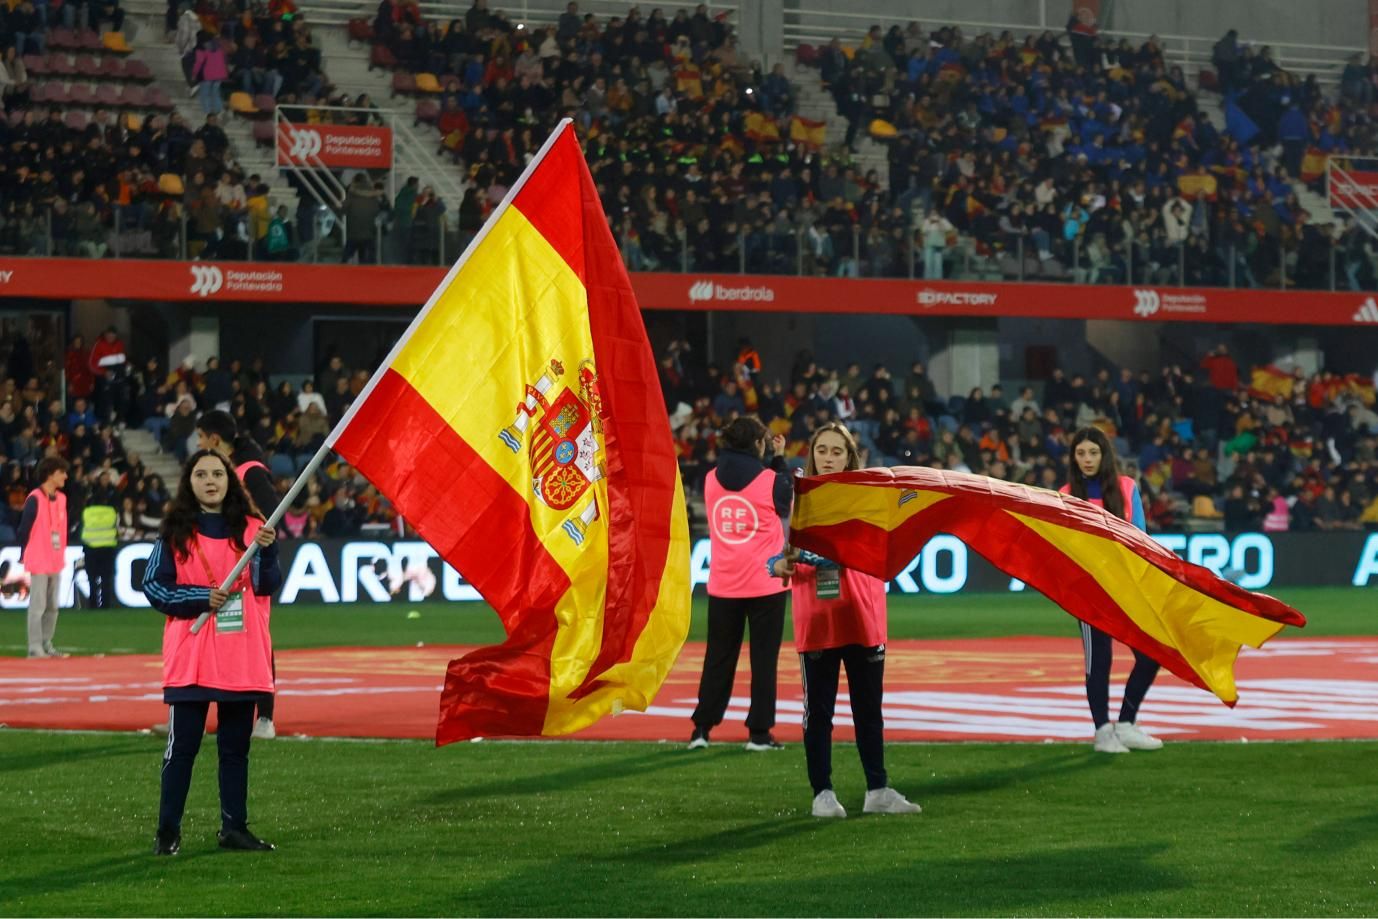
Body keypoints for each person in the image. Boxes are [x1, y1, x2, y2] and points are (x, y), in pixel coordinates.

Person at [769, 422, 922, 818]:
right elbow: (774, 557)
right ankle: (822, 793)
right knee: (818, 712)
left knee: (869, 709)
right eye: (823, 450)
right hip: (818, 619)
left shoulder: (869, 496)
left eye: (837, 451)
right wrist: (782, 563)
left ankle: (878, 789)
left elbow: (879, 549)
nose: (829, 457)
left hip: (863, 614)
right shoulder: (800, 499)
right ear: (813, 454)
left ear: (850, 456)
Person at [142, 450, 282, 855]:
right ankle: (168, 831)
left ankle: (234, 829)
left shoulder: (255, 529)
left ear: (229, 480)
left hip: (241, 657)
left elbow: (267, 585)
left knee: (235, 751)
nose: (210, 481)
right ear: (189, 482)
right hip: (193, 656)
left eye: (217, 474)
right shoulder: (175, 533)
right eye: (201, 474)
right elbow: (154, 587)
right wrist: (202, 597)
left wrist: (268, 551)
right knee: (182, 749)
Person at [688, 416, 791, 751]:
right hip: (765, 584)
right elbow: (785, 501)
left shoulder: (710, 479)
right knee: (763, 661)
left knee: (717, 657)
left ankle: (702, 729)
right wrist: (780, 459)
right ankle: (759, 734)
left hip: (723, 584)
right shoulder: (769, 479)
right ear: (757, 444)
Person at [1061, 426, 1163, 754]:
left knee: (1151, 655)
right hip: (1089, 593)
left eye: (1093, 452)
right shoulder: (1064, 494)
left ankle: (1127, 724)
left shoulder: (1126, 487)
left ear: (1104, 455)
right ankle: (1103, 732)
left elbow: (1142, 539)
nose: (1087, 459)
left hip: (1126, 590)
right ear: (1073, 458)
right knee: (1099, 660)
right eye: (1081, 453)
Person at [195, 410, 280, 740]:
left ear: (215, 439)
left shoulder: (249, 472)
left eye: (201, 437)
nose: (199, 444)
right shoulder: (220, 472)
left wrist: (248, 539)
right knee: (214, 640)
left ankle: (265, 719)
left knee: (255, 640)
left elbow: (272, 512)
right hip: (219, 566)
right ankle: (205, 715)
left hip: (248, 569)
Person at [18, 457, 71, 657]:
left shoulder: (62, 499)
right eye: (62, 472)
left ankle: (47, 642)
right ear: (50, 474)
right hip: (39, 557)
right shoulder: (34, 498)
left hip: (56, 558)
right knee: (38, 604)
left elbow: (63, 529)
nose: (65, 476)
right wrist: (25, 552)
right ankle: (34, 646)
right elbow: (24, 529)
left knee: (52, 606)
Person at [80, 475, 119, 609]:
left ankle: (93, 604)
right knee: (106, 579)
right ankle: (106, 604)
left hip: (91, 549)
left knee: (92, 579)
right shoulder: (112, 512)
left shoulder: (87, 512)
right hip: (107, 548)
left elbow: (83, 527)